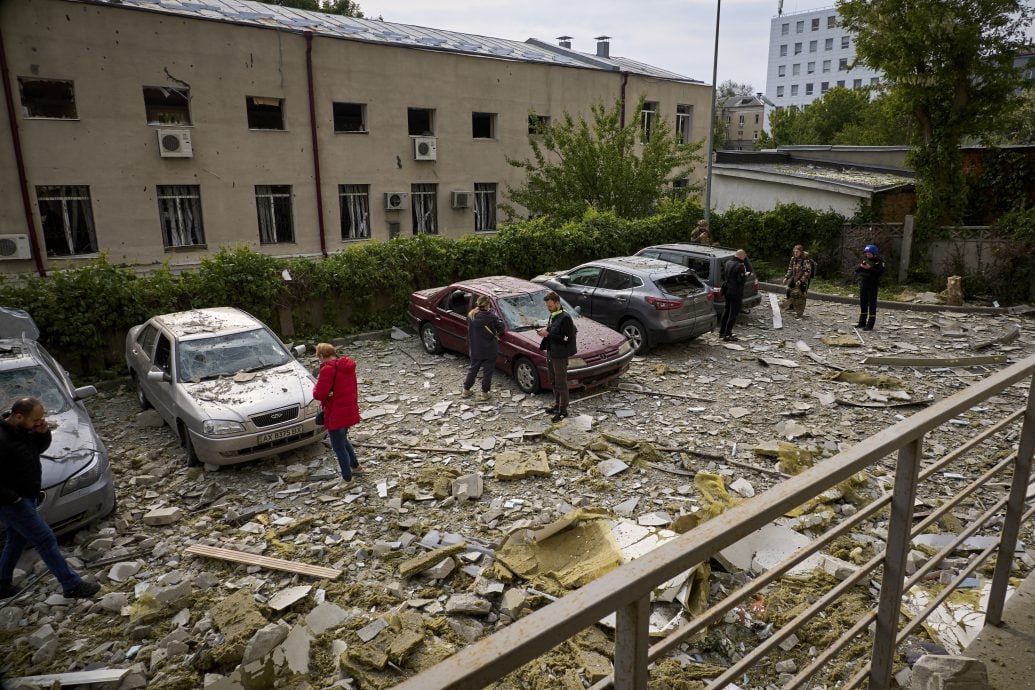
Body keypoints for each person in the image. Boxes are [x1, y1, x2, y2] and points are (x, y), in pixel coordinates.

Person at [0, 398, 100, 601]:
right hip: (11, 502)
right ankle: (71, 585)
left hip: (26, 495)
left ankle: (1, 584)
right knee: (45, 539)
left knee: (16, 539)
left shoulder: (22, 430)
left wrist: (42, 433)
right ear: (19, 416)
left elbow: (37, 449)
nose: (40, 421)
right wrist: (14, 498)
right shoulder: (2, 439)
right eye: (36, 419)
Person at [312, 343, 361, 482]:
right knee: (343, 440)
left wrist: (317, 384)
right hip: (349, 410)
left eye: (319, 358)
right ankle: (355, 466)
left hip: (336, 412)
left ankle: (347, 479)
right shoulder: (347, 366)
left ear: (321, 356)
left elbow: (319, 394)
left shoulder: (327, 370)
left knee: (338, 447)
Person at [536, 291, 577, 422]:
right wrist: (545, 331)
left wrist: (547, 335)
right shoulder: (554, 315)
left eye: (550, 305)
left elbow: (565, 339)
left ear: (557, 303)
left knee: (561, 382)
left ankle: (563, 410)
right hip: (551, 352)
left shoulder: (565, 318)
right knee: (553, 380)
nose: (548, 308)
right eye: (547, 306)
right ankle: (557, 405)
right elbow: (554, 331)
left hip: (560, 355)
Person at [462, 295, 505, 401]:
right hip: (489, 349)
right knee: (488, 371)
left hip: (475, 347)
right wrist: (495, 315)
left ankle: (466, 390)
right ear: (488, 304)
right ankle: (484, 393)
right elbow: (501, 328)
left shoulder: (471, 315)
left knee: (473, 369)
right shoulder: (491, 316)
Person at [719, 249, 748, 341]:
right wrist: (746, 276)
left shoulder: (728, 262)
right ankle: (728, 333)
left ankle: (721, 332)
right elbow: (741, 280)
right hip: (735, 291)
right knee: (733, 313)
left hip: (727, 289)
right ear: (742, 256)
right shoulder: (740, 266)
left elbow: (724, 275)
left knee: (726, 310)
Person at [855, 244, 885, 331]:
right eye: (866, 253)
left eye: (869, 254)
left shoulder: (879, 262)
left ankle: (870, 325)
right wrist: (861, 267)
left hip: (872, 285)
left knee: (872, 304)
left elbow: (878, 273)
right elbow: (857, 270)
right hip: (864, 283)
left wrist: (869, 268)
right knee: (863, 303)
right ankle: (862, 323)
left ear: (874, 253)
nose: (867, 255)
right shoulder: (865, 260)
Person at [782, 244, 814, 318]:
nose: (795, 253)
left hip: (803, 280)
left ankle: (799, 313)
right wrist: (786, 277)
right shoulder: (793, 259)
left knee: (799, 295)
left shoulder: (805, 260)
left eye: (797, 252)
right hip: (795, 278)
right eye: (794, 251)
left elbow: (807, 273)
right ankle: (791, 307)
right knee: (788, 290)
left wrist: (801, 281)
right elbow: (790, 269)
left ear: (801, 252)